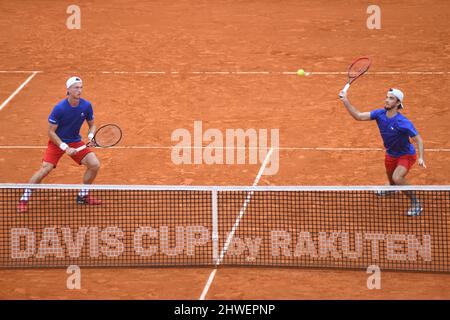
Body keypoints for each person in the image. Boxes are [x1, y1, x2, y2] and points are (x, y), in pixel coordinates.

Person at [17, 76, 101, 213]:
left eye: (81, 87)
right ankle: (24, 199)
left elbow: (92, 125)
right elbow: (50, 132)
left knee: (94, 164)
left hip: (75, 140)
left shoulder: (86, 106)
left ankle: (83, 195)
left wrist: (91, 136)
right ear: (68, 90)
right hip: (57, 142)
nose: (79, 90)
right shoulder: (59, 108)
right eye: (76, 88)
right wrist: (64, 147)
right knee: (45, 169)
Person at [339, 87, 426, 216]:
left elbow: (419, 140)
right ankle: (392, 188)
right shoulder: (380, 114)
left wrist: (421, 157)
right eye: (387, 97)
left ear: (397, 103)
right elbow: (359, 116)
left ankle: (416, 202)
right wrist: (345, 100)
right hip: (391, 154)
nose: (387, 100)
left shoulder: (403, 122)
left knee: (397, 178)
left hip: (406, 155)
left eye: (391, 98)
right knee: (391, 181)